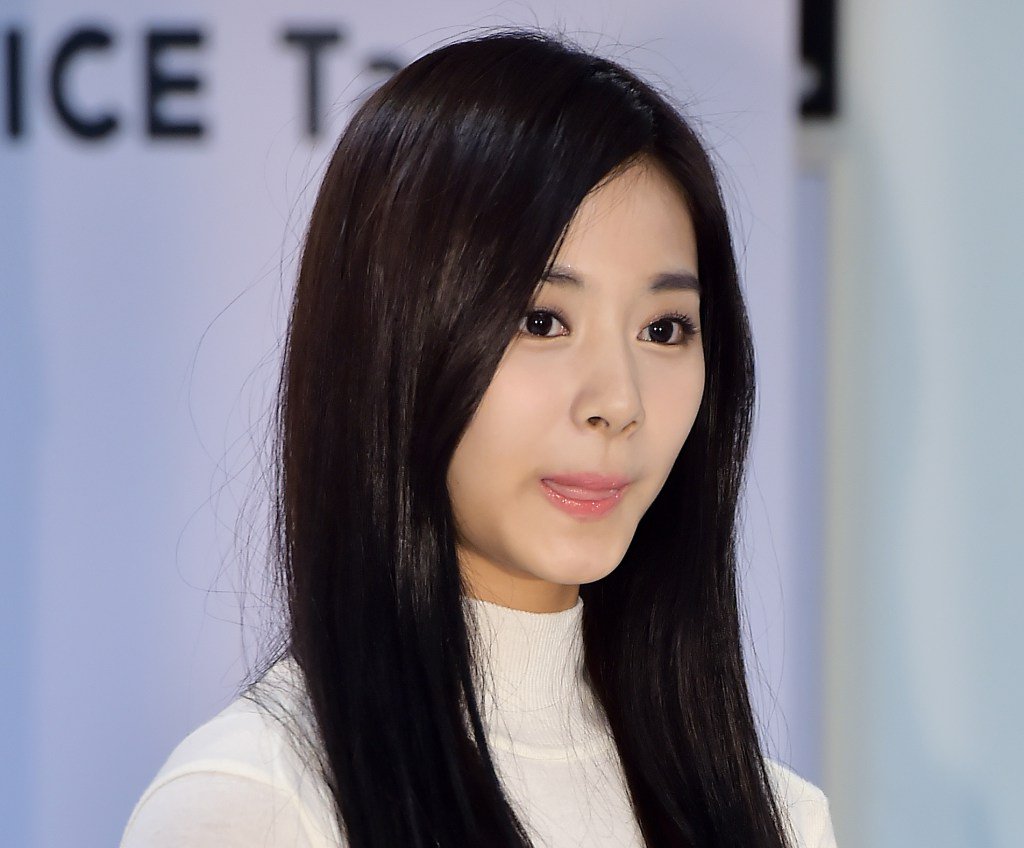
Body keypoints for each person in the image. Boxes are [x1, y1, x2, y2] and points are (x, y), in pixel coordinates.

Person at [121, 27, 838, 848]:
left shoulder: (782, 819)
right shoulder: (257, 805)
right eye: (542, 320)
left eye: (664, 329)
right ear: (393, 338)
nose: (618, 402)